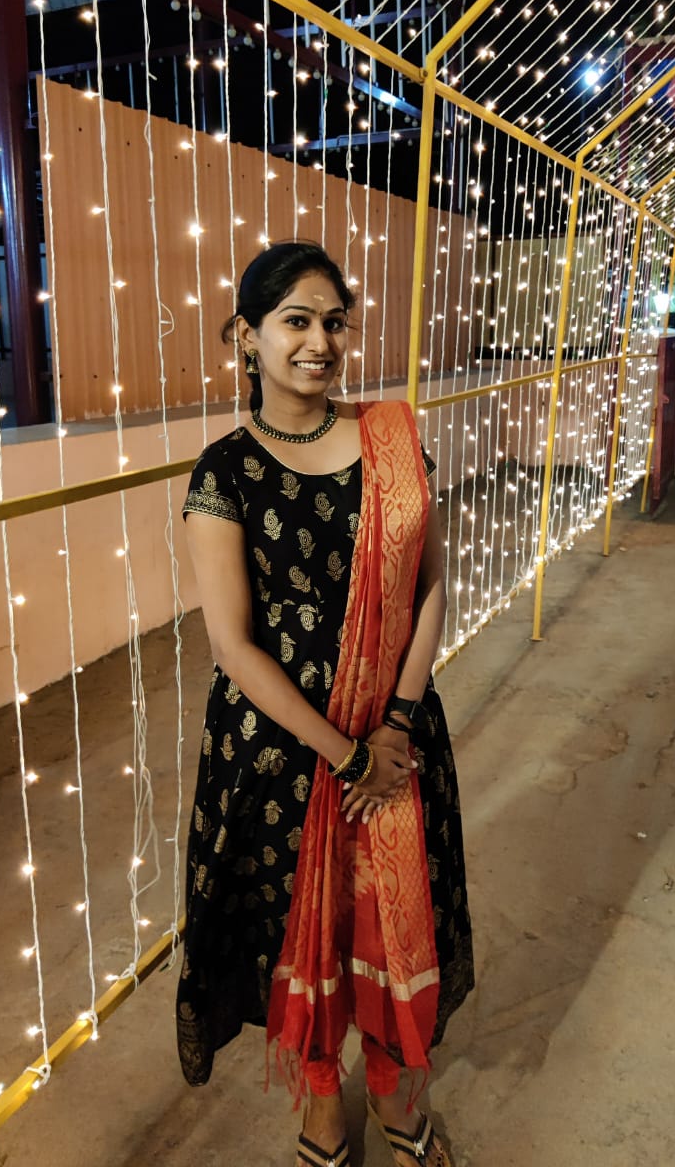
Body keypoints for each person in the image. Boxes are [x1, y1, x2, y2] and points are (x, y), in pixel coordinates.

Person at [177, 241, 473, 1167]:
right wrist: (346, 755)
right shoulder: (224, 472)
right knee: (295, 934)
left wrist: (395, 724)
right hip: (281, 753)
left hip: (398, 733)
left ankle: (394, 1094)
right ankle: (320, 1107)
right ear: (246, 336)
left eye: (334, 322)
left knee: (390, 921)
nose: (319, 342)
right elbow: (233, 647)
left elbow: (431, 584)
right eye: (295, 321)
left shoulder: (392, 442)